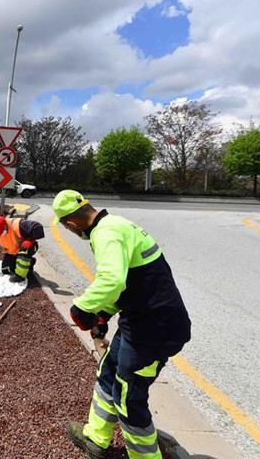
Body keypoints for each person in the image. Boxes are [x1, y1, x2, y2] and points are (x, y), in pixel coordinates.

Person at [51, 190, 191, 459]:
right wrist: (104, 313)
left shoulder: (106, 233)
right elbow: (131, 283)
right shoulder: (115, 224)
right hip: (138, 321)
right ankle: (95, 437)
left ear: (71, 225)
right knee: (108, 372)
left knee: (128, 397)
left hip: (155, 330)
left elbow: (112, 280)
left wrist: (83, 308)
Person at [0, 215, 44, 283]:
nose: (0, 235)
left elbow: (37, 227)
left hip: (28, 247)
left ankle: (20, 276)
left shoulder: (18, 225)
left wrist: (30, 241)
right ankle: (29, 262)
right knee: (6, 269)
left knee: (24, 253)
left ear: (5, 226)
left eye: (1, 232)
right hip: (12, 251)